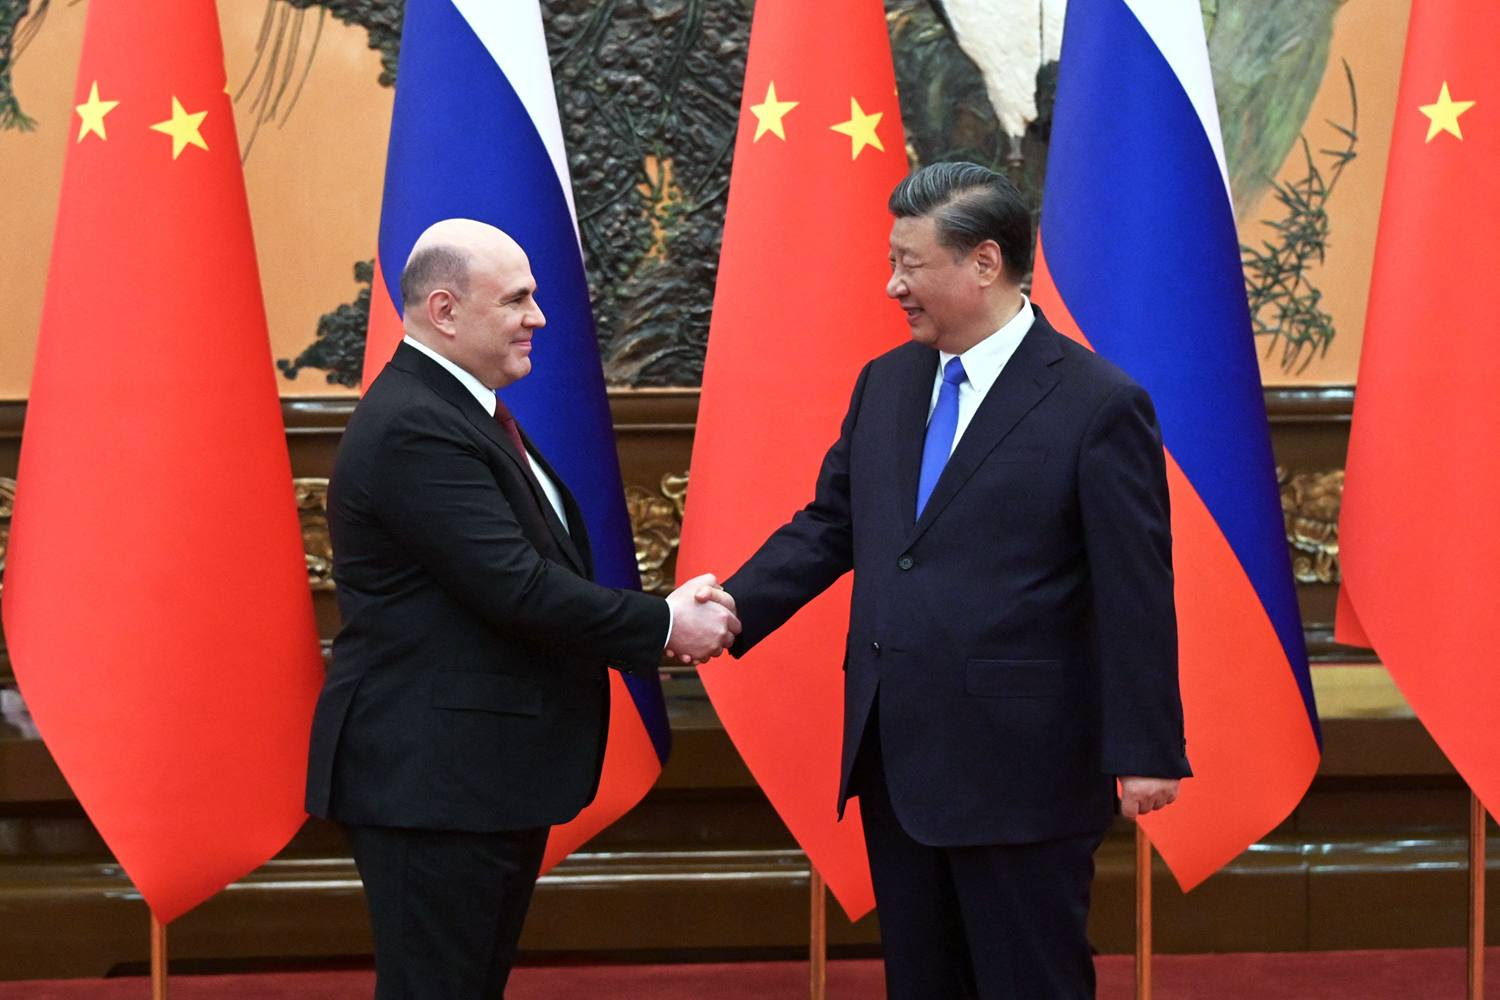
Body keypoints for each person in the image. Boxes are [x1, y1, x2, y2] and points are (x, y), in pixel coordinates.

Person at [715, 163, 1191, 998]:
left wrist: (1146, 750)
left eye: (910, 262)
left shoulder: (1096, 402)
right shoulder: (887, 383)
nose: (892, 284)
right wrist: (728, 611)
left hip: (1026, 772)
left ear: (984, 263)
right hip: (897, 758)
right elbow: (833, 526)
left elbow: (1135, 589)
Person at [305, 218, 739, 999]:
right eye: (517, 300)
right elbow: (519, 588)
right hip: (431, 782)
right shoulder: (415, 426)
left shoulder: (460, 411)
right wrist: (668, 624)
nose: (539, 317)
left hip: (476, 774)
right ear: (444, 310)